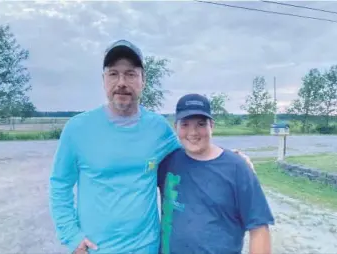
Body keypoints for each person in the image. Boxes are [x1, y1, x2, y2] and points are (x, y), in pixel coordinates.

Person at [49, 40, 255, 254]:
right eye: (113, 74)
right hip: (97, 249)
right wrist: (72, 236)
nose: (121, 82)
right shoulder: (78, 128)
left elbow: (193, 153)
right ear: (103, 80)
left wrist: (230, 160)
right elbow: (60, 184)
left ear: (143, 80)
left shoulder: (157, 128)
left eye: (130, 74)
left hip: (147, 247)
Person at [157, 93, 275, 254]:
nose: (193, 132)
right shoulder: (167, 161)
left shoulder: (236, 167)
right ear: (175, 126)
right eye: (185, 124)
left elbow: (259, 228)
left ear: (211, 125)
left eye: (200, 124)